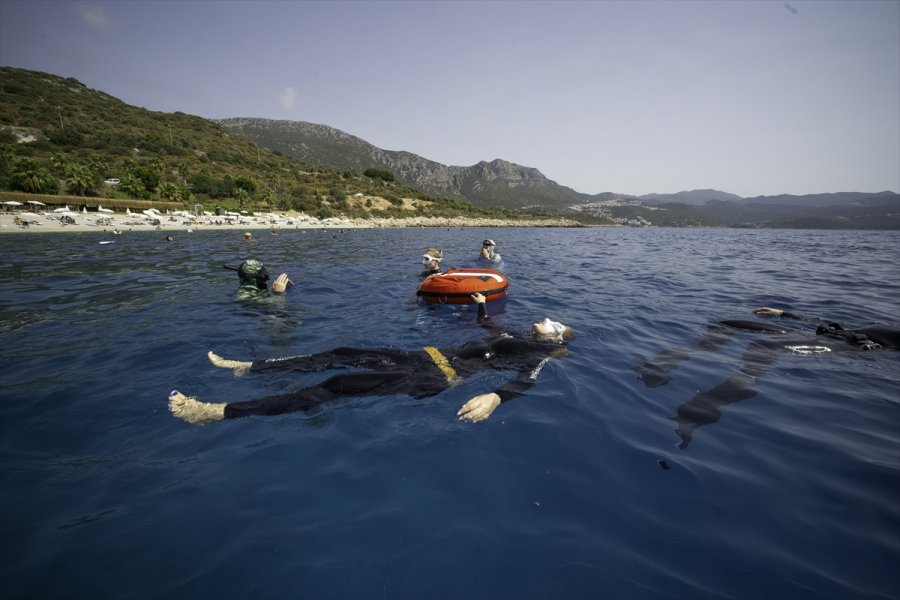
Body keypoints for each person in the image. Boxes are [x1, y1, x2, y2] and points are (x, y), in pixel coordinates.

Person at [168, 293, 574, 425]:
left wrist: (496, 398)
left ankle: (218, 412)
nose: (543, 318)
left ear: (556, 336)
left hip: (435, 377)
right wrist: (482, 309)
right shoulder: (513, 335)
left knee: (331, 388)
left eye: (552, 322)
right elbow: (487, 329)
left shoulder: (543, 350)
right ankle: (250, 366)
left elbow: (529, 377)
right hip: (423, 356)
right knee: (341, 352)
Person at [637, 306, 900, 449]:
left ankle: (740, 385)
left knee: (761, 347)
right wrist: (783, 314)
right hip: (827, 333)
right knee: (727, 323)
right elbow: (831, 320)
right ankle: (664, 362)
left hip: (849, 347)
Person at [226, 259, 293, 302]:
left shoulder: (250, 291)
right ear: (256, 279)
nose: (266, 279)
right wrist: (278, 294)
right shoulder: (244, 298)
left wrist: (280, 288)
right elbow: (276, 309)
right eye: (264, 276)